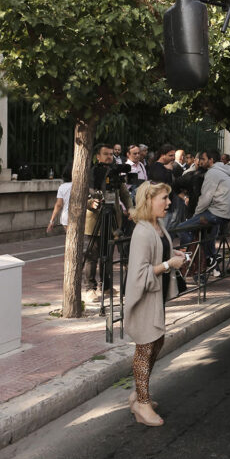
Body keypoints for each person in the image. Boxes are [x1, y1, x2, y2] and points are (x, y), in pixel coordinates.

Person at [124, 181, 187, 427]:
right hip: (144, 297)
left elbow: (160, 253)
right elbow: (139, 275)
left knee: (156, 342)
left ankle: (139, 394)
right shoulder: (141, 231)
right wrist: (169, 265)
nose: (169, 203)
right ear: (148, 201)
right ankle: (141, 404)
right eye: (164, 198)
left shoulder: (157, 225)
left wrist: (174, 255)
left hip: (155, 296)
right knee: (145, 348)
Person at [84, 144, 135, 297]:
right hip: (94, 221)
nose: (109, 157)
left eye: (111, 154)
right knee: (92, 257)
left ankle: (106, 287)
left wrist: (131, 208)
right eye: (105, 154)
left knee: (108, 255)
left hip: (113, 219)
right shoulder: (91, 173)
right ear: (97, 156)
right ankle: (90, 288)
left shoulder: (115, 173)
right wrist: (90, 203)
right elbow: (82, 195)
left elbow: (125, 194)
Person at [170, 149, 230, 272]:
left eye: (203, 159)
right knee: (206, 234)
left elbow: (206, 198)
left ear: (211, 160)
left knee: (182, 228)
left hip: (215, 213)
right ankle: (210, 258)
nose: (200, 162)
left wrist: (196, 214)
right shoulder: (226, 171)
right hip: (226, 214)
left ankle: (191, 257)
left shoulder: (212, 173)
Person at [47, 165, 73, 233]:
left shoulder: (62, 187)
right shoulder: (81, 186)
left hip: (66, 217)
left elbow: (59, 205)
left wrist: (51, 221)